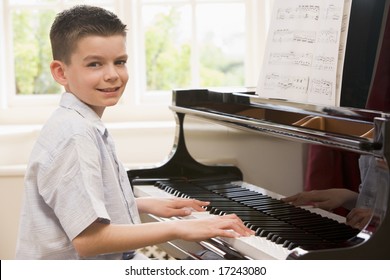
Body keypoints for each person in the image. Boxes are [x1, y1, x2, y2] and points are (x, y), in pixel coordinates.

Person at [15, 5, 254, 260]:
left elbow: (80, 208)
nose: (112, 75)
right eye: (94, 64)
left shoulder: (78, 122)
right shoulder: (76, 136)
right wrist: (179, 228)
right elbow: (89, 240)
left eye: (120, 62)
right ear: (61, 72)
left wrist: (139, 204)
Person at [282, 155, 389, 230]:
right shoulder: (375, 133)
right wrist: (346, 196)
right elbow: (373, 206)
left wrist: (384, 219)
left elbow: (379, 214)